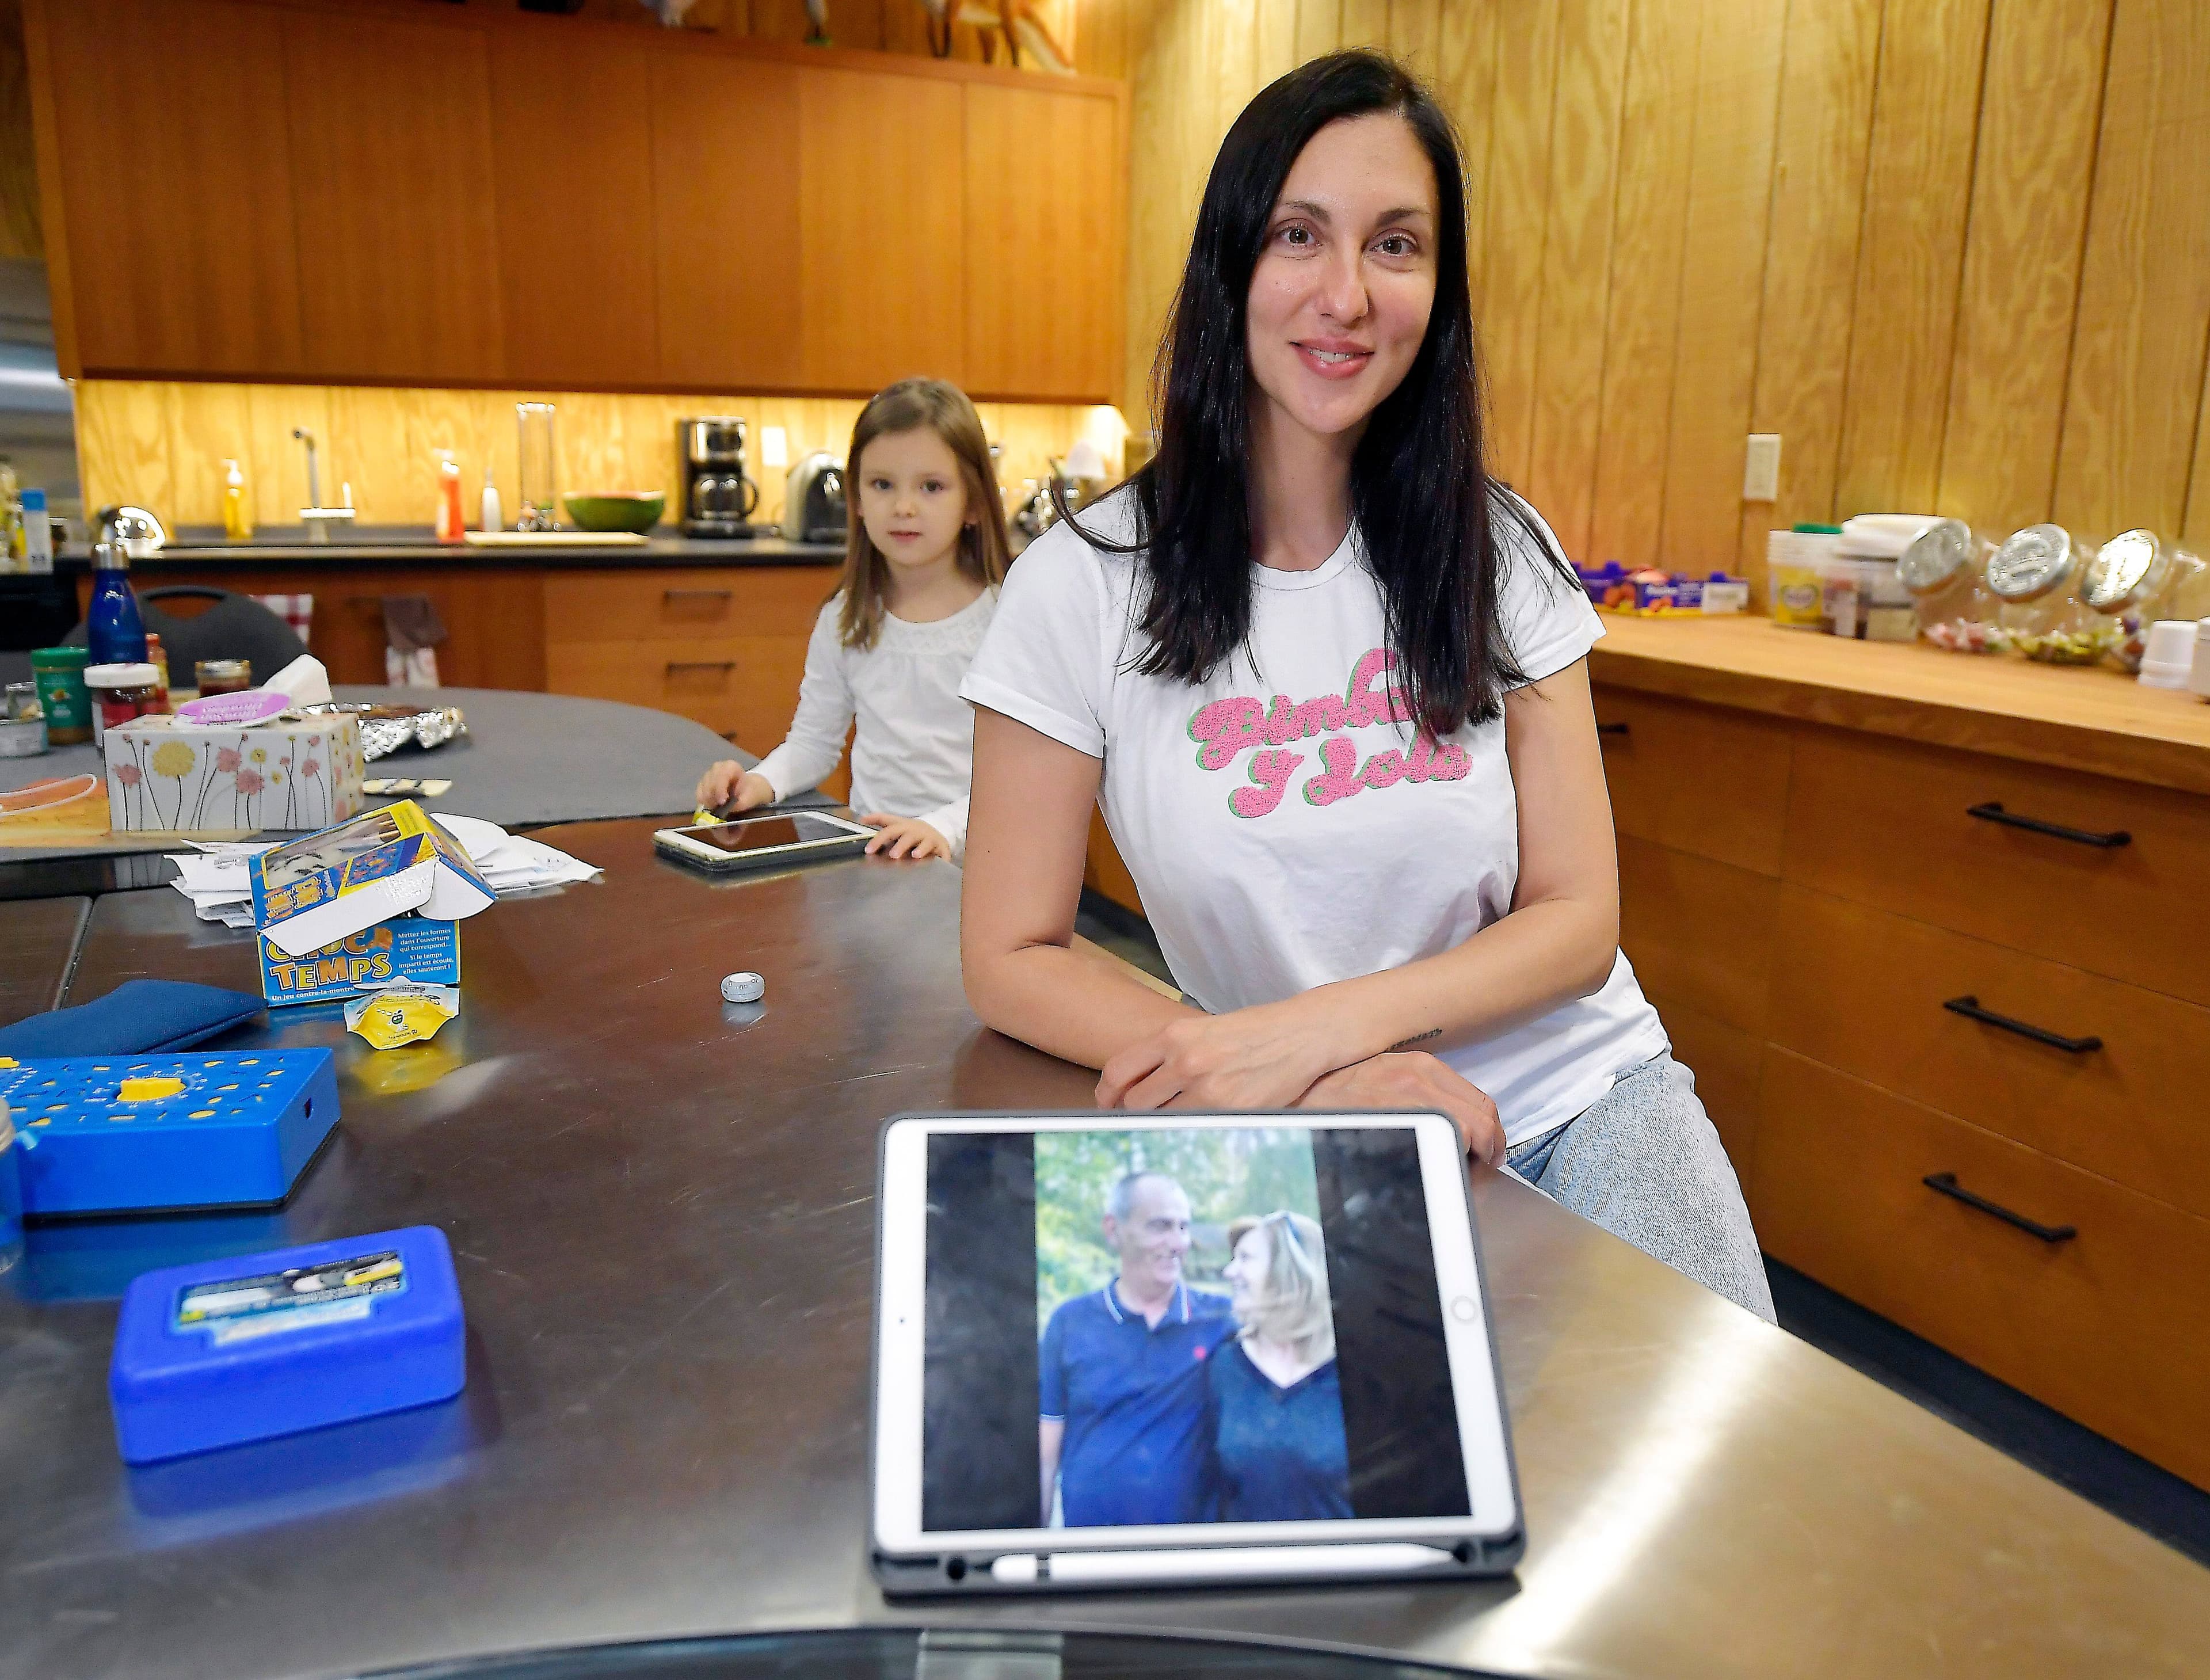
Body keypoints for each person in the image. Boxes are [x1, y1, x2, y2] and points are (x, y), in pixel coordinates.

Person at [957, 51, 1774, 1321]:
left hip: (1584, 1102)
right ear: (1231, 261)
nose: (1346, 294)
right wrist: (1311, 1072)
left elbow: (1576, 917)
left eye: (1396, 245)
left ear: (1437, 289)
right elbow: (1012, 952)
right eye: (1299, 235)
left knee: (1732, 1483)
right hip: (1298, 1127)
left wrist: (1323, 1031)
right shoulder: (1080, 584)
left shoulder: (1499, 549)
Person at [693, 379, 1010, 863]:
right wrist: (758, 782)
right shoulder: (845, 618)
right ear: (857, 499)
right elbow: (813, 743)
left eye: (931, 486)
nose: (904, 506)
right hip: (875, 860)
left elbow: (1018, 775)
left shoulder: (1006, 619)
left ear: (973, 502)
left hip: (981, 866)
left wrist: (941, 828)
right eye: (882, 484)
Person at [1037, 1170, 1234, 1526]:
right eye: (1160, 1226)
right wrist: (1034, 1557)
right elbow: (1045, 1454)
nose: (1177, 1243)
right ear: (1113, 1230)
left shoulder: (1222, 1322)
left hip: (1193, 1557)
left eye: (1183, 1227)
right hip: (1091, 1558)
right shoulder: (1070, 1323)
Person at [1206, 1211, 1351, 1522]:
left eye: (1246, 1258)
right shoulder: (1225, 1366)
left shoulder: (1359, 1370)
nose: (1230, 1272)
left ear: (1289, 1273)